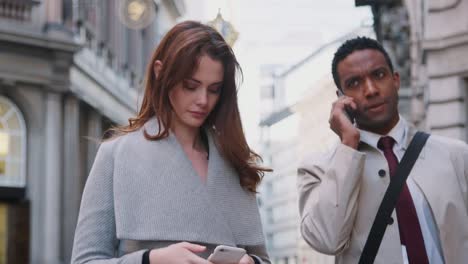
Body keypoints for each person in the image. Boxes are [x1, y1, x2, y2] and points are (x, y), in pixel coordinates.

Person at [71, 21, 271, 264]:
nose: (203, 100)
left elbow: (263, 258)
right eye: (191, 86)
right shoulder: (116, 154)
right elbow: (85, 261)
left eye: (215, 89)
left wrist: (252, 263)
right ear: (160, 72)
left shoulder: (234, 160)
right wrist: (150, 260)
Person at [297, 36, 468, 264]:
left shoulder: (455, 155)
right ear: (341, 98)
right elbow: (326, 240)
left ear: (395, 80)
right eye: (354, 83)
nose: (370, 90)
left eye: (378, 75)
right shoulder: (319, 168)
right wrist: (348, 144)